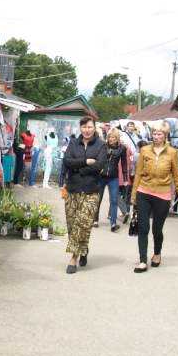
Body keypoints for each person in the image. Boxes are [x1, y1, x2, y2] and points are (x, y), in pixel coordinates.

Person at [130, 120, 178, 273]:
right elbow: (138, 172)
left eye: (159, 134)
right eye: (154, 134)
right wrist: (134, 193)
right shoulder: (145, 150)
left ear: (165, 136)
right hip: (144, 192)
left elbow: (177, 176)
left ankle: (157, 253)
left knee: (157, 230)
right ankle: (142, 260)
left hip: (162, 194)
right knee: (143, 227)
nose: (156, 137)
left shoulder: (172, 152)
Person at [62, 117, 108, 274]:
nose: (87, 130)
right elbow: (67, 162)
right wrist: (86, 161)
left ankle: (73, 259)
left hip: (91, 191)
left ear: (94, 128)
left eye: (90, 127)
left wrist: (79, 168)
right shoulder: (73, 143)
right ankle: (83, 249)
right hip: (73, 189)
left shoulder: (101, 145)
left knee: (82, 224)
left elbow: (99, 165)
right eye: (84, 127)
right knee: (72, 225)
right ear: (80, 128)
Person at [99, 129, 130, 231]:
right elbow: (99, 158)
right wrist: (99, 168)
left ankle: (113, 223)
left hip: (113, 176)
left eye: (113, 137)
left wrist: (125, 178)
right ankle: (95, 219)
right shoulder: (104, 146)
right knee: (99, 198)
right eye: (109, 137)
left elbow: (124, 164)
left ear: (117, 138)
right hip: (102, 175)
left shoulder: (122, 148)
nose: (111, 139)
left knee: (114, 200)